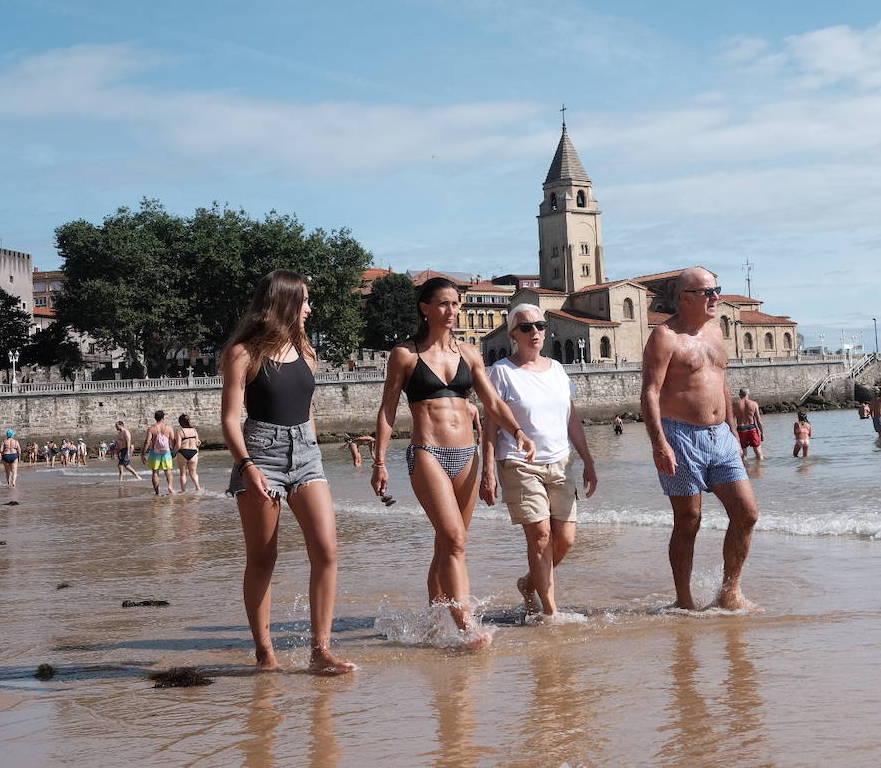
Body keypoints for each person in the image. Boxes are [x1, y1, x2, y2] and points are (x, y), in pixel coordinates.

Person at [372, 276, 535, 644]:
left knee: (447, 544)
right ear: (425, 308)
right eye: (444, 304)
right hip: (427, 452)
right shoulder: (406, 354)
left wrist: (518, 432)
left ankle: (434, 622)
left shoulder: (470, 353)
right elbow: (387, 410)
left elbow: (493, 402)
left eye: (456, 304)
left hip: (467, 455)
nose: (452, 311)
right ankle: (466, 625)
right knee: (455, 539)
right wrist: (379, 461)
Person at [220, 269, 354, 674]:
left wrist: (317, 450)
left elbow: (308, 409)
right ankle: (265, 653)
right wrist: (247, 467)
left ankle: (321, 650)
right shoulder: (243, 354)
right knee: (263, 558)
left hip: (307, 455)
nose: (310, 309)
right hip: (261, 454)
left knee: (327, 551)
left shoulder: (307, 352)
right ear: (285, 304)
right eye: (306, 301)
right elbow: (229, 419)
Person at [641, 267, 758, 611]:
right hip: (679, 435)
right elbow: (650, 391)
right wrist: (659, 443)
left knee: (747, 513)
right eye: (708, 292)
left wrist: (734, 432)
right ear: (685, 298)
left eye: (716, 290)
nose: (715, 297)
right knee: (689, 520)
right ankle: (684, 599)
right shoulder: (665, 336)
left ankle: (730, 591)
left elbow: (721, 382)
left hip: (720, 435)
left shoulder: (715, 331)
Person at [481, 304, 599, 618]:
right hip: (519, 463)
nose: (535, 332)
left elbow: (571, 418)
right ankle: (550, 612)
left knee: (566, 539)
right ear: (512, 334)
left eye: (540, 325)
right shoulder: (502, 372)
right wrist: (488, 471)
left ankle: (529, 583)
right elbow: (490, 424)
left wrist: (588, 460)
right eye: (526, 327)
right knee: (541, 535)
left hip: (561, 463)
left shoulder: (558, 369)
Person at [145, 410, 176, 496]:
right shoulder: (169, 428)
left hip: (155, 452)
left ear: (155, 418)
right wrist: (174, 450)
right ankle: (170, 486)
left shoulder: (151, 428)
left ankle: (157, 492)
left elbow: (147, 441)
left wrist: (143, 452)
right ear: (163, 418)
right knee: (168, 471)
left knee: (155, 472)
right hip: (166, 452)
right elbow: (173, 440)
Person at [732, 388, 765, 463]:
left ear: (740, 395)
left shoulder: (735, 404)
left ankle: (746, 470)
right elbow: (758, 420)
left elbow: (732, 420)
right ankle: (760, 470)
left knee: (743, 454)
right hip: (752, 428)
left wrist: (733, 433)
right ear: (748, 394)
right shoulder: (754, 404)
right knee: (758, 452)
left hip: (741, 429)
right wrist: (762, 433)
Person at [175, 414, 202, 492]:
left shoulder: (180, 431)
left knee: (183, 474)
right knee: (193, 473)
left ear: (180, 422)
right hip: (193, 452)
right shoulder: (194, 430)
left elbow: (178, 445)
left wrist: (174, 452)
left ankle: (183, 490)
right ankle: (198, 487)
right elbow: (198, 442)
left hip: (183, 452)